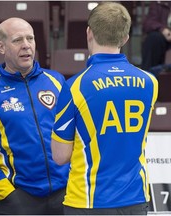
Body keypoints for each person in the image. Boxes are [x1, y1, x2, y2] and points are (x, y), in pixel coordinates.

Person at [51, 2, 158, 215]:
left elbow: (60, 156)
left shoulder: (75, 86)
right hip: (135, 198)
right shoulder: (150, 82)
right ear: (126, 38)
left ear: (89, 32)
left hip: (88, 201)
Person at [0, 17, 69, 215]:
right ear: (1, 47)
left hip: (65, 195)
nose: (26, 46)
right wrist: (7, 193)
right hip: (18, 199)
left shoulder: (56, 81)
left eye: (30, 39)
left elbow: (75, 135)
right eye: (17, 40)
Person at [141, 1, 171, 73]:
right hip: (165, 38)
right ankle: (147, 77)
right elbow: (148, 24)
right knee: (153, 38)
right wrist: (163, 30)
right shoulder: (160, 3)